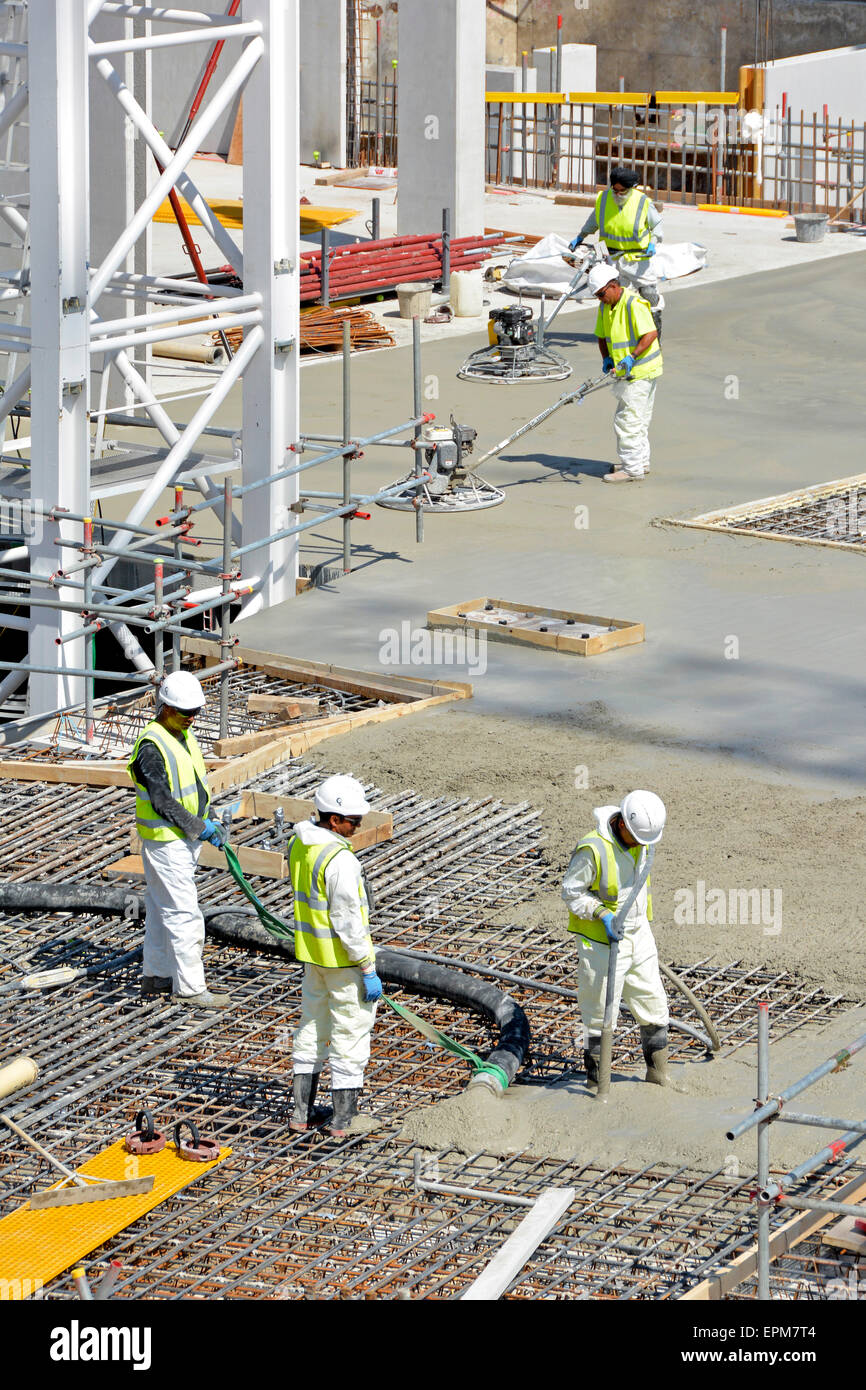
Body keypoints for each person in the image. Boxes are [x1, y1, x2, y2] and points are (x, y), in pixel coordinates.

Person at [127, 671, 230, 1009]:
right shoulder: (151, 747)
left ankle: (156, 976)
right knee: (185, 915)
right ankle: (190, 988)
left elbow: (193, 785)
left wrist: (208, 817)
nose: (192, 719)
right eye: (186, 713)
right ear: (166, 707)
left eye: (196, 713)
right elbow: (161, 800)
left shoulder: (181, 733)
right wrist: (199, 827)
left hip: (178, 841)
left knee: (159, 910)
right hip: (166, 843)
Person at [289, 775, 383, 1138]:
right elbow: (347, 921)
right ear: (333, 820)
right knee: (351, 1036)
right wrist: (367, 965)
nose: (358, 826)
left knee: (312, 1029)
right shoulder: (339, 859)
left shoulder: (301, 845)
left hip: (314, 959)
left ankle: (301, 1114)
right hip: (344, 963)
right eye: (353, 821)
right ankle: (345, 1121)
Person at [561, 790, 671, 1088]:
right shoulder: (592, 849)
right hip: (601, 943)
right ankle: (598, 1083)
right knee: (598, 1016)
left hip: (638, 933)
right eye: (637, 838)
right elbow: (571, 893)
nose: (642, 845)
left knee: (654, 1003)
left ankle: (659, 1075)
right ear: (622, 824)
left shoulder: (643, 842)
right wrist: (602, 914)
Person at [588, 262, 663, 484]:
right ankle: (640, 461)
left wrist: (632, 356)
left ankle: (632, 469)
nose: (600, 299)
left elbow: (650, 334)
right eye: (597, 296)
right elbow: (602, 336)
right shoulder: (605, 307)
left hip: (640, 371)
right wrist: (606, 358)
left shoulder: (633, 303)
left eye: (601, 294)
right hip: (627, 372)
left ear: (613, 286)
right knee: (638, 419)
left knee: (627, 421)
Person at [569, 166, 664, 335]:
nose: (618, 194)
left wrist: (654, 242)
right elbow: (593, 221)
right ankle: (615, 332)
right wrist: (581, 236)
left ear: (632, 188)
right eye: (615, 190)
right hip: (608, 254)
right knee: (611, 296)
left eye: (623, 191)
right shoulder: (604, 199)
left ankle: (654, 333)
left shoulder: (642, 201)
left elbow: (656, 225)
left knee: (649, 294)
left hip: (637, 257)